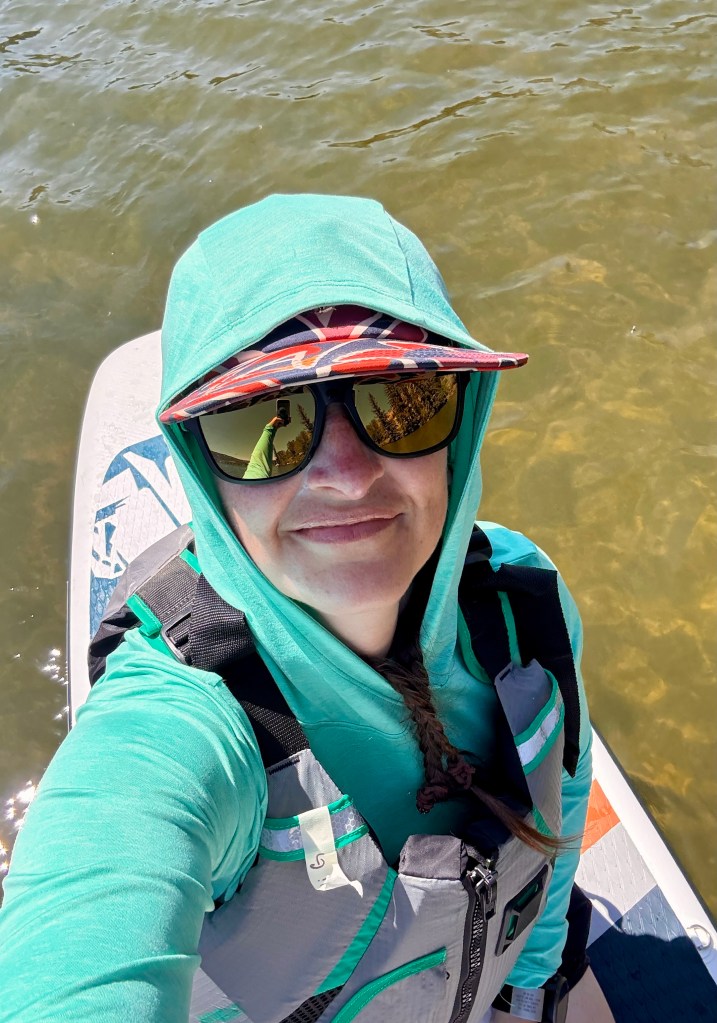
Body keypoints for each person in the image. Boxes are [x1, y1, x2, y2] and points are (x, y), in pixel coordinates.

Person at [0, 194, 614, 1023]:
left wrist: (535, 986)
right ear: (199, 465)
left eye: (400, 399)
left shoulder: (521, 609)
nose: (347, 475)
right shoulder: (180, 731)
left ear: (461, 421)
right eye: (264, 422)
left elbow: (561, 800)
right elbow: (92, 902)